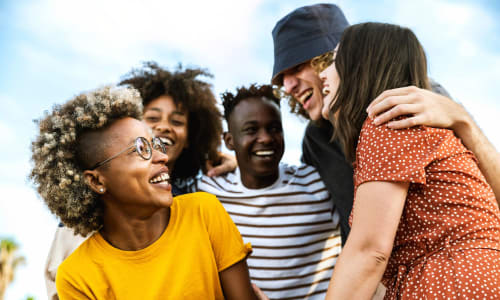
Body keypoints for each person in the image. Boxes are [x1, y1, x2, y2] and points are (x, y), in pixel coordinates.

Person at [271, 3, 500, 245]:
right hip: (375, 280)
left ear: (337, 58)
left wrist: (462, 120)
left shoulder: (418, 97)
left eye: (297, 68)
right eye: (282, 78)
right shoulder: (316, 139)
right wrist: (241, 168)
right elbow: (303, 194)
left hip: (453, 273)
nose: (288, 87)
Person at [317, 22, 500, 299]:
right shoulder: (423, 131)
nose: (322, 73)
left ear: (361, 66)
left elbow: (369, 252)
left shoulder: (389, 123)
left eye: (335, 60)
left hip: (451, 285)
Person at [33, 86, 258, 299]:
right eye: (141, 149)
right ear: (95, 180)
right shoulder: (76, 277)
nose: (162, 157)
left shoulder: (204, 212)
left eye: (156, 145)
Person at [190, 84, 342, 299]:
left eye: (274, 128)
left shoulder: (316, 183)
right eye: (251, 130)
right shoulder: (210, 193)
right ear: (229, 141)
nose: (266, 138)